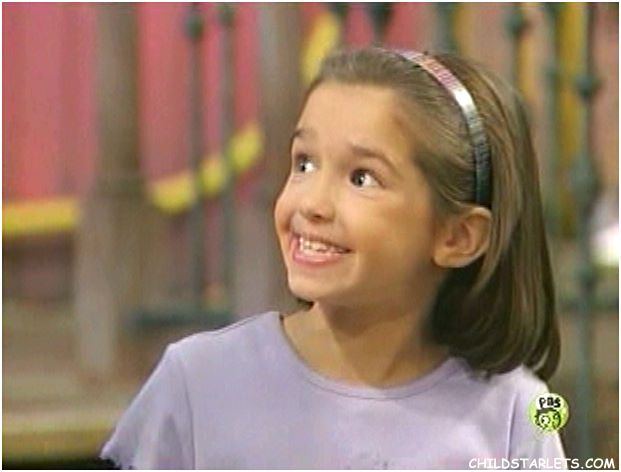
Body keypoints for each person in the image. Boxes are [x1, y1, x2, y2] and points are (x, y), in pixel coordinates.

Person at [100, 47, 565, 469]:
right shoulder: (198, 384)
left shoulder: (515, 416)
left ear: (458, 236)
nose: (312, 204)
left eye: (362, 177)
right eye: (304, 163)